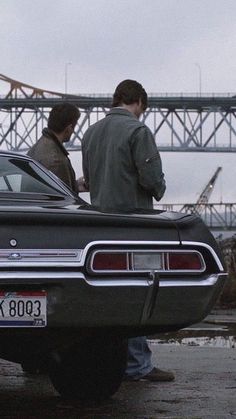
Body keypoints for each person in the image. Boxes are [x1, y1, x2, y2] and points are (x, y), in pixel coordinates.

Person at [81, 79, 175, 382]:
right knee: (138, 290)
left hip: (98, 224)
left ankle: (110, 361)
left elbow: (91, 182)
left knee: (106, 292)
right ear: (138, 103)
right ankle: (137, 365)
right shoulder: (138, 130)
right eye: (142, 109)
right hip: (134, 224)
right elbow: (152, 180)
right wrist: (160, 186)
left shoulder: (90, 133)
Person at [27, 103, 81, 193]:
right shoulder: (56, 161)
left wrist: (75, 186)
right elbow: (62, 200)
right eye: (73, 128)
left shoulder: (36, 147)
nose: (73, 132)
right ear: (68, 129)